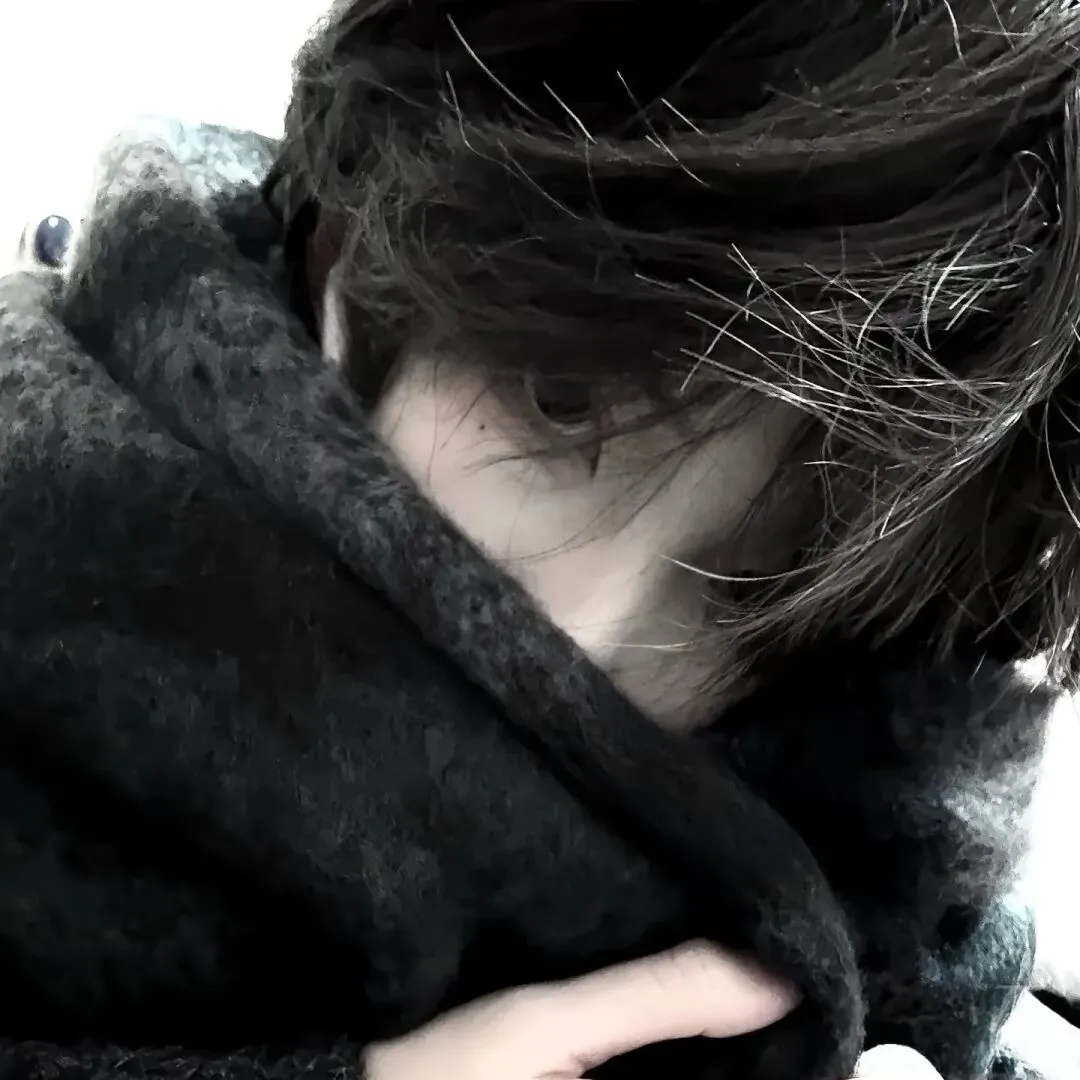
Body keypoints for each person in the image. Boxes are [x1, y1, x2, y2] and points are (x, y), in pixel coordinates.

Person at [2, 1, 1080, 1078]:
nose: (584, 633)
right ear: (353, 272)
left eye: (756, 583)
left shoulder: (900, 880)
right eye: (560, 400)